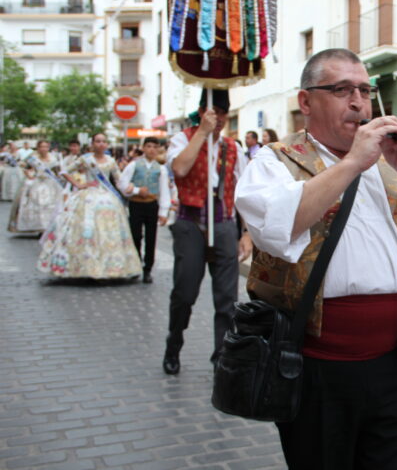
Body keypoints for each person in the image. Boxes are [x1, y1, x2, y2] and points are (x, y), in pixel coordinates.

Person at [235, 48, 397, 470]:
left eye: (363, 89)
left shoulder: (391, 163)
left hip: (390, 364)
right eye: (341, 90)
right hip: (316, 369)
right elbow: (277, 228)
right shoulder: (275, 161)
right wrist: (354, 162)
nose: (358, 102)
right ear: (306, 102)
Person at [162, 89, 253, 375]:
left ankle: (222, 358)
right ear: (203, 112)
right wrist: (201, 134)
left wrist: (247, 232)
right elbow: (179, 168)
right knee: (184, 293)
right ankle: (173, 344)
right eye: (215, 112)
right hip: (191, 224)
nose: (220, 119)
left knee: (227, 299)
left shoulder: (233, 148)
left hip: (224, 224)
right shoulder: (182, 139)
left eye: (224, 114)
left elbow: (243, 192)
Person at [37, 133, 142, 279]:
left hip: (108, 198)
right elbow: (64, 171)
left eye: (104, 141)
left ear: (107, 144)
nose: (101, 144)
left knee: (109, 233)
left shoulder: (111, 161)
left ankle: (111, 267)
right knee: (87, 230)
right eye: (98, 141)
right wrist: (79, 184)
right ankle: (84, 266)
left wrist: (131, 188)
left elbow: (119, 180)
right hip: (87, 197)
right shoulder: (85, 160)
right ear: (92, 144)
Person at [117, 137, 171, 284]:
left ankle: (148, 269)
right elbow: (122, 183)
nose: (151, 149)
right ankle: (135, 265)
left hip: (151, 204)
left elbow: (164, 190)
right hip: (136, 204)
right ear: (143, 148)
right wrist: (135, 190)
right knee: (135, 236)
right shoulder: (134, 165)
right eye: (148, 146)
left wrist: (163, 212)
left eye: (155, 147)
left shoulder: (160, 169)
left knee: (151, 237)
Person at [8, 140, 63, 234]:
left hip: (50, 183)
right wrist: (29, 175)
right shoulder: (33, 158)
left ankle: (48, 226)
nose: (44, 149)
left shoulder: (53, 158)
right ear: (38, 148)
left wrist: (58, 178)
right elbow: (23, 166)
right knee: (36, 202)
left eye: (46, 147)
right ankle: (37, 226)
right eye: (42, 147)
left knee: (50, 205)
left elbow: (58, 171)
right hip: (37, 182)